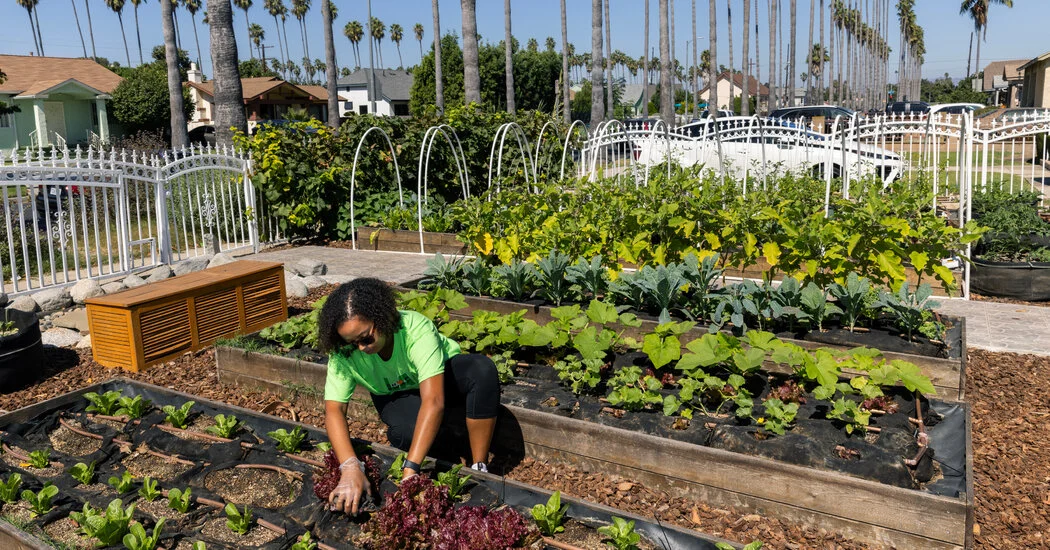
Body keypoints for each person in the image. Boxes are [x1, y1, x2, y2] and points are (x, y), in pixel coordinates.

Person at [317, 277, 500, 515]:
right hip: (393, 395)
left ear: (381, 318)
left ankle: (479, 465)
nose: (361, 348)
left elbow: (433, 401)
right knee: (404, 433)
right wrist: (350, 467)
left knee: (481, 370)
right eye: (352, 344)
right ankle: (449, 443)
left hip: (441, 378)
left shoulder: (413, 328)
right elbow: (334, 410)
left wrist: (410, 469)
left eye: (366, 338)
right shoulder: (343, 354)